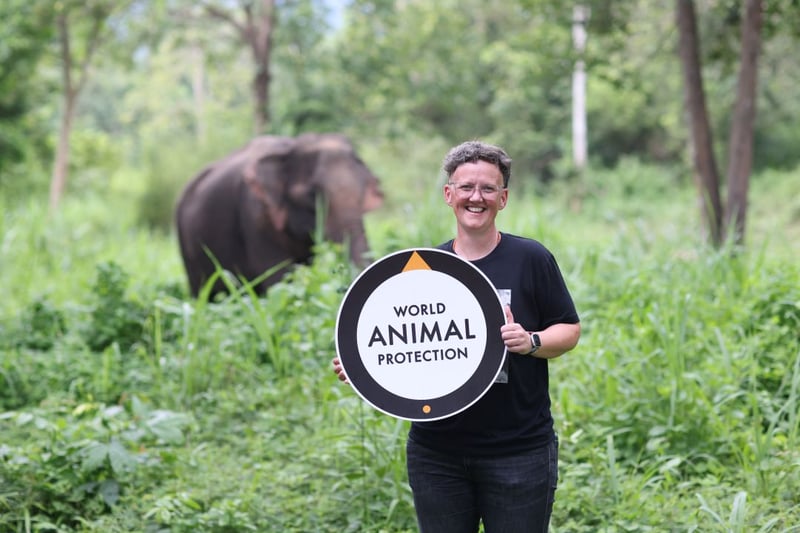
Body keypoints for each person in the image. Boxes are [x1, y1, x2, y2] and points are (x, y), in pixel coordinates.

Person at [332, 140, 580, 533]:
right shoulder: (425, 270)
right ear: (449, 195)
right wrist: (363, 367)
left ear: (504, 198)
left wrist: (531, 341)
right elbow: (409, 341)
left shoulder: (530, 259)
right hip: (437, 454)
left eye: (487, 188)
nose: (475, 197)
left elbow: (569, 329)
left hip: (518, 451)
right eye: (465, 187)